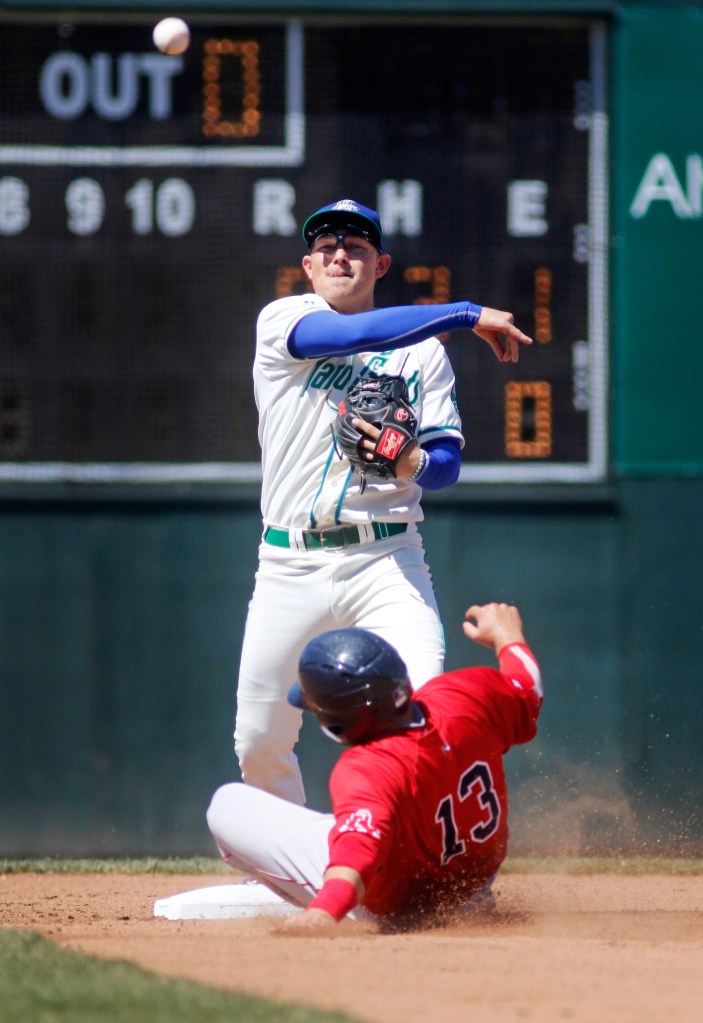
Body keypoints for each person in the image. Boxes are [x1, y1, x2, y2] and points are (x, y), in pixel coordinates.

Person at [235, 197, 533, 805]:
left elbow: (445, 463)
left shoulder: (422, 355)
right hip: (289, 563)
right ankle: (292, 877)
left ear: (381, 263)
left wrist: (411, 463)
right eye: (327, 246)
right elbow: (354, 333)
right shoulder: (284, 320)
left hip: (385, 560)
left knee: (428, 710)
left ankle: (445, 871)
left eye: (356, 246)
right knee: (258, 741)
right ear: (309, 266)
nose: (340, 253)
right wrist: (466, 312)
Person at [209, 601, 543, 932]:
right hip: (470, 887)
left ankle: (344, 865)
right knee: (369, 818)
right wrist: (508, 637)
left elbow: (358, 857)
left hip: (393, 909)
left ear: (338, 723)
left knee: (226, 804)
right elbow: (528, 689)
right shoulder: (466, 695)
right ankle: (467, 899)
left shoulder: (366, 769)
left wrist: (324, 912)